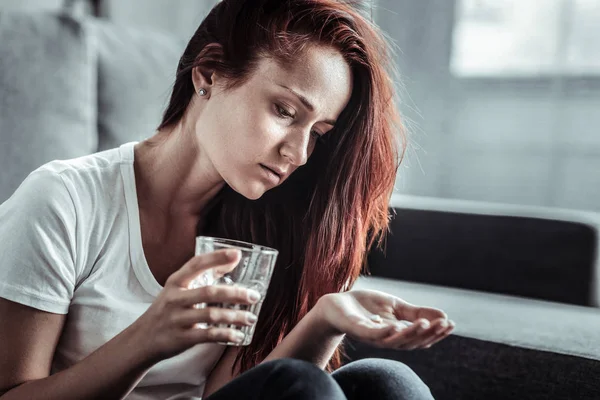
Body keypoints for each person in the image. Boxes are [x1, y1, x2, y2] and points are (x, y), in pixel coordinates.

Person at [0, 0, 455, 399]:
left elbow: (232, 394)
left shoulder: (259, 228)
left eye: (317, 134)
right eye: (284, 111)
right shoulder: (65, 200)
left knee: (385, 381)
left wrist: (325, 319)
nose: (297, 154)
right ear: (209, 74)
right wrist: (147, 338)